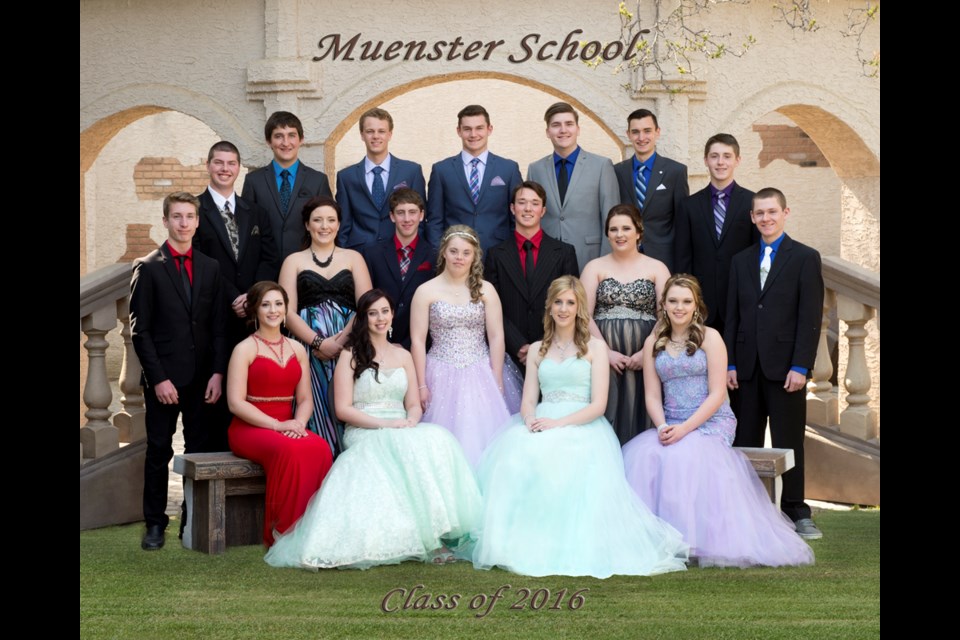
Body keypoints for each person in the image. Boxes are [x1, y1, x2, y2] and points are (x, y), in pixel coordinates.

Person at [472, 276, 689, 578]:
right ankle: (525, 540)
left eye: (570, 303)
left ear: (579, 308)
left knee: (566, 460)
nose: (563, 309)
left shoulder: (595, 348)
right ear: (549, 307)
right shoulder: (537, 349)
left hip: (583, 423)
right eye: (558, 302)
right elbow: (528, 399)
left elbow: (598, 405)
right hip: (542, 420)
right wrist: (530, 419)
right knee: (513, 458)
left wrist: (558, 424)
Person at [264, 290, 482, 570]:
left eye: (384, 311)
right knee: (397, 448)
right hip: (364, 428)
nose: (380, 318)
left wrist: (411, 421)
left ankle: (435, 536)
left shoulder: (403, 355)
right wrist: (387, 425)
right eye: (373, 313)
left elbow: (414, 404)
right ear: (364, 319)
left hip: (402, 426)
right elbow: (343, 410)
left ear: (392, 315)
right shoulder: (349, 355)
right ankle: (418, 540)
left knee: (437, 440)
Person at [622, 275, 815, 567]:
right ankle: (658, 539)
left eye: (686, 301)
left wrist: (686, 429)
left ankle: (691, 540)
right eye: (673, 301)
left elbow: (716, 394)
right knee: (646, 456)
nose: (679, 307)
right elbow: (651, 395)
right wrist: (662, 426)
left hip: (711, 421)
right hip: (671, 421)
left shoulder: (711, 338)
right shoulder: (653, 341)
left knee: (684, 455)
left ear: (696, 305)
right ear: (664, 304)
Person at [129, 192, 228, 550]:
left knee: (198, 452)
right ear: (166, 221)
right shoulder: (149, 267)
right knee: (158, 451)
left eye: (189, 217)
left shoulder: (210, 266)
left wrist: (218, 373)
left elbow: (218, 326)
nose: (184, 223)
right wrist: (158, 378)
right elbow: (140, 331)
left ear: (197, 222)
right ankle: (155, 524)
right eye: (177, 217)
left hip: (203, 379)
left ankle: (192, 518)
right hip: (164, 380)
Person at [725, 188, 825, 540]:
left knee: (789, 440)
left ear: (785, 212)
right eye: (760, 213)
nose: (766, 218)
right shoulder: (741, 260)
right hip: (746, 369)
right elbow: (733, 316)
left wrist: (801, 365)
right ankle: (747, 509)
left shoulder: (805, 257)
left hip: (786, 370)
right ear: (752, 218)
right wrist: (731, 363)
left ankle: (797, 510)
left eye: (772, 212)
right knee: (745, 440)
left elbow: (810, 317)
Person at [226, 281, 333, 547]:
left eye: (278, 304)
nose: (273, 310)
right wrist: (277, 426)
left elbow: (305, 398)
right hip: (250, 428)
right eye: (265, 305)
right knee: (289, 450)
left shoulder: (297, 349)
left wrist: (298, 422)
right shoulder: (244, 349)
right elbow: (235, 403)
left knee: (320, 448)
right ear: (255, 311)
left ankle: (314, 529)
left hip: (288, 424)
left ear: (286, 309)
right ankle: (284, 531)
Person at [409, 224, 522, 466]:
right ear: (443, 253)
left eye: (466, 252)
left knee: (485, 437)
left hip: (480, 369)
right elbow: (418, 341)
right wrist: (420, 384)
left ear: (474, 256)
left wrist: (497, 375)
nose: (459, 258)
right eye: (454, 251)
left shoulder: (485, 290)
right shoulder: (425, 291)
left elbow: (496, 336)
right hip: (439, 369)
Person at [194, 141, 281, 451]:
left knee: (251, 391)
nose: (225, 169)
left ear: (239, 167)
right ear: (208, 165)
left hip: (251, 319)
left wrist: (253, 298)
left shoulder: (255, 211)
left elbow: (270, 257)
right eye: (219, 162)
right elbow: (200, 258)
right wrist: (234, 296)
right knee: (212, 399)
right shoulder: (195, 210)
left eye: (231, 163)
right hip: (213, 316)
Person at [278, 196, 372, 457]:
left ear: (339, 224)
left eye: (331, 220)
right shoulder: (293, 261)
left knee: (350, 405)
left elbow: (366, 304)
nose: (324, 226)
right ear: (307, 225)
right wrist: (319, 343)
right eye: (317, 220)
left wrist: (339, 344)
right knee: (315, 410)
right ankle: (318, 470)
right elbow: (287, 311)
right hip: (308, 350)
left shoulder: (354, 258)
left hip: (351, 347)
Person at [581, 204, 671, 445]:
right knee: (608, 408)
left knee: (641, 409)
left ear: (638, 232)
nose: (620, 234)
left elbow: (667, 315)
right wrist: (604, 353)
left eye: (626, 228)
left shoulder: (657, 268)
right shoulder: (594, 267)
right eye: (613, 229)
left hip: (646, 350)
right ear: (607, 234)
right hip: (603, 352)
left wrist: (648, 351)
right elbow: (583, 315)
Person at [484, 181, 579, 371]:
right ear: (512, 208)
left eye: (535, 203)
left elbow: (571, 303)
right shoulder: (496, 254)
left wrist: (542, 345)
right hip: (510, 352)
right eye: (522, 202)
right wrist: (518, 345)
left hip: (553, 350)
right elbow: (491, 306)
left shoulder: (564, 252)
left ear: (543, 210)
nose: (528, 209)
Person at [674, 134, 757, 335]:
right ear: (705, 160)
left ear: (737, 160)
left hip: (740, 299)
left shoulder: (752, 202)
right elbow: (683, 257)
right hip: (701, 302)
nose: (721, 162)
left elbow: (756, 252)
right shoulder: (689, 205)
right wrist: (687, 298)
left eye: (727, 156)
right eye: (714, 156)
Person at [527, 102, 619, 267]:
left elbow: (611, 217)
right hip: (546, 258)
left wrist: (607, 263)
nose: (563, 130)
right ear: (548, 132)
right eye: (556, 125)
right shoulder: (536, 169)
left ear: (578, 129)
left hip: (589, 256)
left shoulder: (601, 166)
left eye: (569, 124)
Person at [425, 105, 522, 252]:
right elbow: (434, 221)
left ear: (489, 129)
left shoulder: (509, 169)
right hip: (456, 256)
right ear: (459, 131)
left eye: (479, 128)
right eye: (467, 129)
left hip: (499, 254)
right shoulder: (441, 170)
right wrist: (439, 254)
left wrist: (514, 254)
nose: (473, 134)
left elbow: (516, 218)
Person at [241, 111, 333, 261]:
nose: (285, 142)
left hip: (308, 266)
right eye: (278, 136)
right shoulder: (253, 181)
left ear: (301, 139)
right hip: (265, 267)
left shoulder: (318, 181)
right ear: (268, 141)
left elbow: (328, 225)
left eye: (291, 135)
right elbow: (247, 228)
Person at [336, 107, 428, 250]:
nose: (376, 136)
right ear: (362, 135)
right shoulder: (346, 177)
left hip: (400, 251)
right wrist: (343, 255)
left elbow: (421, 219)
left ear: (390, 134)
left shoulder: (411, 171)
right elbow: (343, 224)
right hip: (360, 252)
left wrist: (416, 252)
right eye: (370, 131)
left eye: (381, 131)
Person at [614, 109, 689, 272]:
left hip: (663, 258)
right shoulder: (617, 172)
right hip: (625, 257)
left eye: (647, 131)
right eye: (635, 132)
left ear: (657, 132)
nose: (641, 138)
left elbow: (682, 223)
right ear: (628, 134)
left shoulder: (675, 172)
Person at [361, 188, 436, 348]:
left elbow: (435, 307)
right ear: (392, 216)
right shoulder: (372, 254)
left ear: (421, 215)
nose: (407, 219)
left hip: (419, 344)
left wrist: (410, 343)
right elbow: (368, 301)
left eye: (412, 212)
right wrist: (383, 343)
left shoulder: (434, 256)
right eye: (400, 212)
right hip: (379, 342)